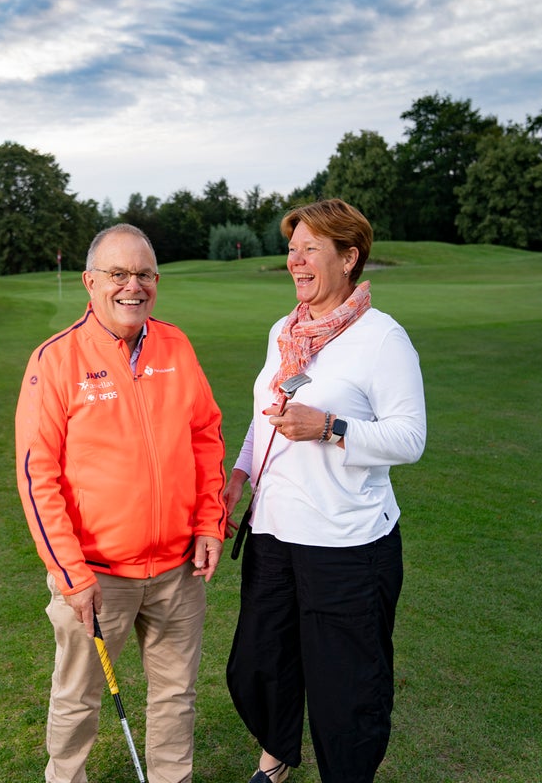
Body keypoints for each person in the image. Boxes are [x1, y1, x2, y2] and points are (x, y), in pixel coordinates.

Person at [15, 223, 229, 783]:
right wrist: (70, 573)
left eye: (144, 274)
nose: (133, 286)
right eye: (118, 274)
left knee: (175, 695)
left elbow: (205, 436)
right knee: (78, 698)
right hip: (96, 575)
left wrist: (210, 522)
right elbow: (38, 477)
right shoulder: (56, 359)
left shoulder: (176, 345)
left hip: (177, 571)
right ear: (90, 282)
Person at [222, 199, 427, 783]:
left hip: (347, 544)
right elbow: (267, 416)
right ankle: (278, 752)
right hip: (273, 534)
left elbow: (410, 438)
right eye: (292, 249)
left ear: (349, 257)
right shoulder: (284, 331)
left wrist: (331, 428)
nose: (296, 260)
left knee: (347, 688)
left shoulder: (382, 338)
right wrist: (238, 476)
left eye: (311, 249)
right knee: (260, 665)